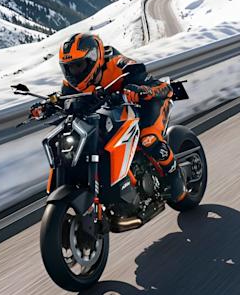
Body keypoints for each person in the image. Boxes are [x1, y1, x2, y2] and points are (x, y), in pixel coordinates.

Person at [51, 32, 186, 203]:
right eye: (69, 67)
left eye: (78, 65)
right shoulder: (71, 83)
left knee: (149, 139)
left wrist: (142, 90)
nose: (74, 72)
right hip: (114, 111)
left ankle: (176, 177)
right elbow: (66, 100)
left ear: (94, 59)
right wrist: (47, 106)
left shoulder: (120, 65)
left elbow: (158, 86)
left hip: (149, 102)